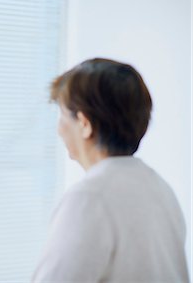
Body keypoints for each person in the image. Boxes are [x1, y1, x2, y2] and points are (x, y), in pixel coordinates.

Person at [32, 58, 189, 282]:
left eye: (63, 115)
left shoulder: (88, 198)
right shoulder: (160, 188)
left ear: (84, 124)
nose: (59, 129)